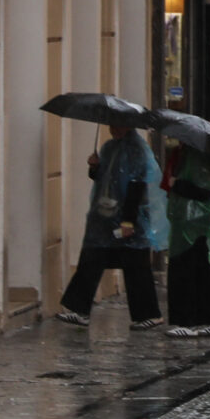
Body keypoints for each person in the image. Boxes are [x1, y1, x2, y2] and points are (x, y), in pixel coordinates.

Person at [57, 124, 162, 327]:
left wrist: (129, 219)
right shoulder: (109, 148)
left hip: (129, 217)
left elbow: (136, 186)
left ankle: (148, 314)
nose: (113, 128)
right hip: (105, 217)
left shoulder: (136, 151)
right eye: (111, 123)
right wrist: (94, 168)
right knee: (92, 258)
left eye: (117, 123)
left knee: (136, 265)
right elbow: (104, 180)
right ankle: (79, 308)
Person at [162, 145, 210, 336]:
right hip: (189, 224)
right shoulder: (187, 156)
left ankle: (187, 321)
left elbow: (204, 191)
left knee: (186, 270)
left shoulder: (198, 159)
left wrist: (177, 184)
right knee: (200, 271)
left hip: (192, 225)